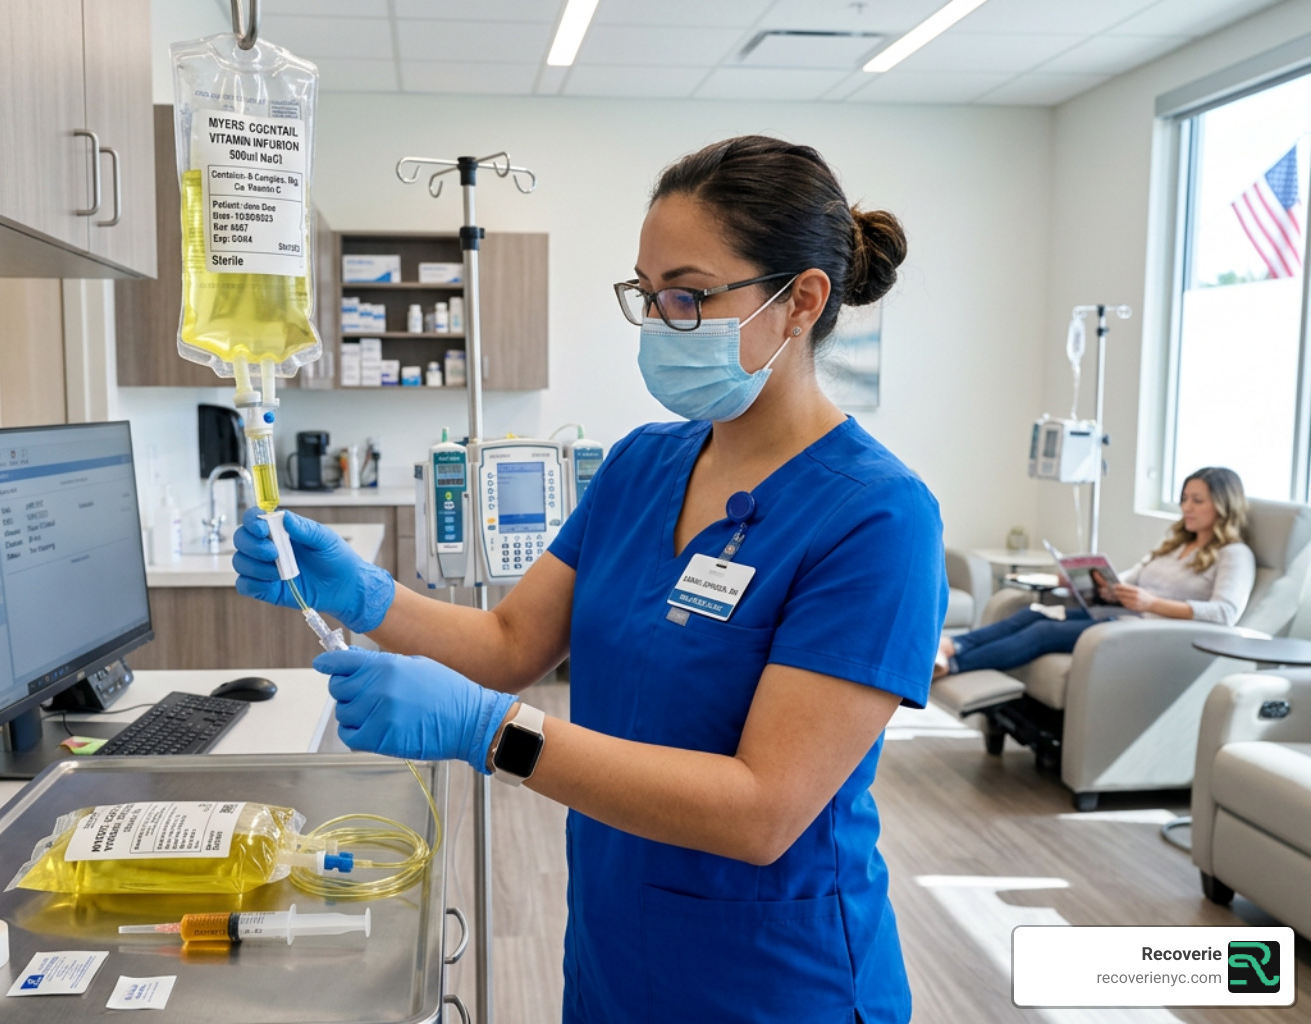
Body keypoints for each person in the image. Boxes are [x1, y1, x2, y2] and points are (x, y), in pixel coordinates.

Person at [234, 136, 946, 1023]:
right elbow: (508, 643)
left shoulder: (877, 519)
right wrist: (364, 595)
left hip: (774, 977)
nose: (658, 322)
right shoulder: (642, 466)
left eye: (687, 295)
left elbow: (762, 811)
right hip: (614, 946)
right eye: (647, 296)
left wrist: (494, 734)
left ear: (800, 300)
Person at [936, 466, 1254, 678]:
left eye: (1197, 500)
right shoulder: (1173, 546)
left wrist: (1151, 604)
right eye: (1184, 499)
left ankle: (952, 665)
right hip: (1121, 617)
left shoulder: (1234, 554)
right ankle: (952, 645)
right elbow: (1130, 580)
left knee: (1043, 632)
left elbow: (1225, 613)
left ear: (1223, 505)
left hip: (1147, 633)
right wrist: (1094, 583)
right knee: (1033, 613)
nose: (1187, 507)